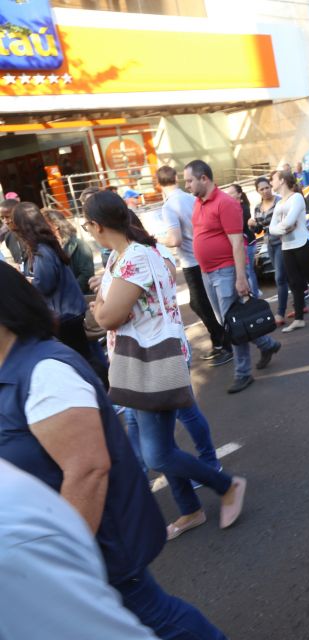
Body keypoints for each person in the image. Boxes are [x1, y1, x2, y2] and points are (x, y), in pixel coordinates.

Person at [0, 263, 227, 639]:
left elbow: (87, 470)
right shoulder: (13, 367)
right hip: (61, 544)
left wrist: (66, 561)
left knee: (153, 615)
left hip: (94, 541)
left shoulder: (43, 371)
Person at [85, 191, 246, 543]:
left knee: (156, 452)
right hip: (135, 363)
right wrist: (104, 306)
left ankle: (226, 485)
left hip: (150, 362)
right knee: (158, 446)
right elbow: (110, 311)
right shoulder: (119, 256)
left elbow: (108, 316)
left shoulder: (135, 259)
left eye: (88, 224)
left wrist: (100, 308)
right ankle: (190, 508)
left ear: (96, 225)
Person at [0, 459, 159, 639]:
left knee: (156, 614)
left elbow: (89, 468)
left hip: (92, 551)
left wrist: (78, 551)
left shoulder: (10, 539)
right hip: (55, 546)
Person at [185, 159, 282, 394]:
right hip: (208, 272)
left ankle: (243, 373)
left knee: (232, 324)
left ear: (203, 178)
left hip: (226, 271)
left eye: (189, 180)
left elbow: (238, 243)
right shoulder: (198, 203)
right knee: (228, 322)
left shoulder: (225, 203)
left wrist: (241, 277)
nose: (187, 185)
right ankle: (267, 344)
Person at [11, 202, 107, 386]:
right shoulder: (47, 245)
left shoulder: (42, 251)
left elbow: (44, 285)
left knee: (82, 359)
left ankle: (105, 392)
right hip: (69, 311)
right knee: (85, 356)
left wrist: (26, 281)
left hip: (65, 313)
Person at [156, 166, 231, 363]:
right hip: (202, 258)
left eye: (191, 181)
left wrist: (155, 239)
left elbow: (175, 239)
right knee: (207, 304)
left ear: (159, 184)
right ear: (176, 179)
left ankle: (226, 343)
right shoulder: (191, 198)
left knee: (203, 304)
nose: (189, 184)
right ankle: (220, 342)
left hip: (192, 261)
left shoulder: (170, 206)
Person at [269, 169, 309, 332]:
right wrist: (284, 229)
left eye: (273, 179)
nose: (271, 183)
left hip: (303, 244)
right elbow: (271, 229)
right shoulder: (279, 203)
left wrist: (281, 228)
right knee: (294, 283)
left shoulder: (296, 198)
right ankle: (298, 319)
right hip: (287, 247)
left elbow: (289, 221)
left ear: (282, 180)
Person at [248, 176, 289, 325]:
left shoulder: (280, 201)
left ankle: (280, 313)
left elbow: (286, 222)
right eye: (261, 189)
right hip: (269, 243)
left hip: (282, 242)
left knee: (279, 278)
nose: (265, 191)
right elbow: (259, 229)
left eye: (267, 187)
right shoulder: (258, 208)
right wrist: (252, 225)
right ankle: (299, 302)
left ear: (271, 186)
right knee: (285, 276)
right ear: (257, 191)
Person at [43, 208, 95, 294]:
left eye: (44, 224)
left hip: (80, 299)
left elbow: (87, 275)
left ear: (55, 225)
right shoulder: (46, 248)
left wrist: (68, 293)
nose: (40, 228)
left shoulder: (79, 245)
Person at [223, 184, 261, 299]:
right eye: (227, 193)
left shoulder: (243, 207)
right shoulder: (233, 207)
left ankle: (254, 295)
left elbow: (240, 225)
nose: (229, 195)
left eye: (232, 193)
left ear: (239, 194)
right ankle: (252, 294)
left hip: (247, 243)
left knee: (249, 270)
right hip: (243, 243)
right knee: (246, 270)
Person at [0, 198, 25, 265]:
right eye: (2, 218)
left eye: (8, 217)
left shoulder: (31, 233)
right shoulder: (8, 237)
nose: (5, 222)